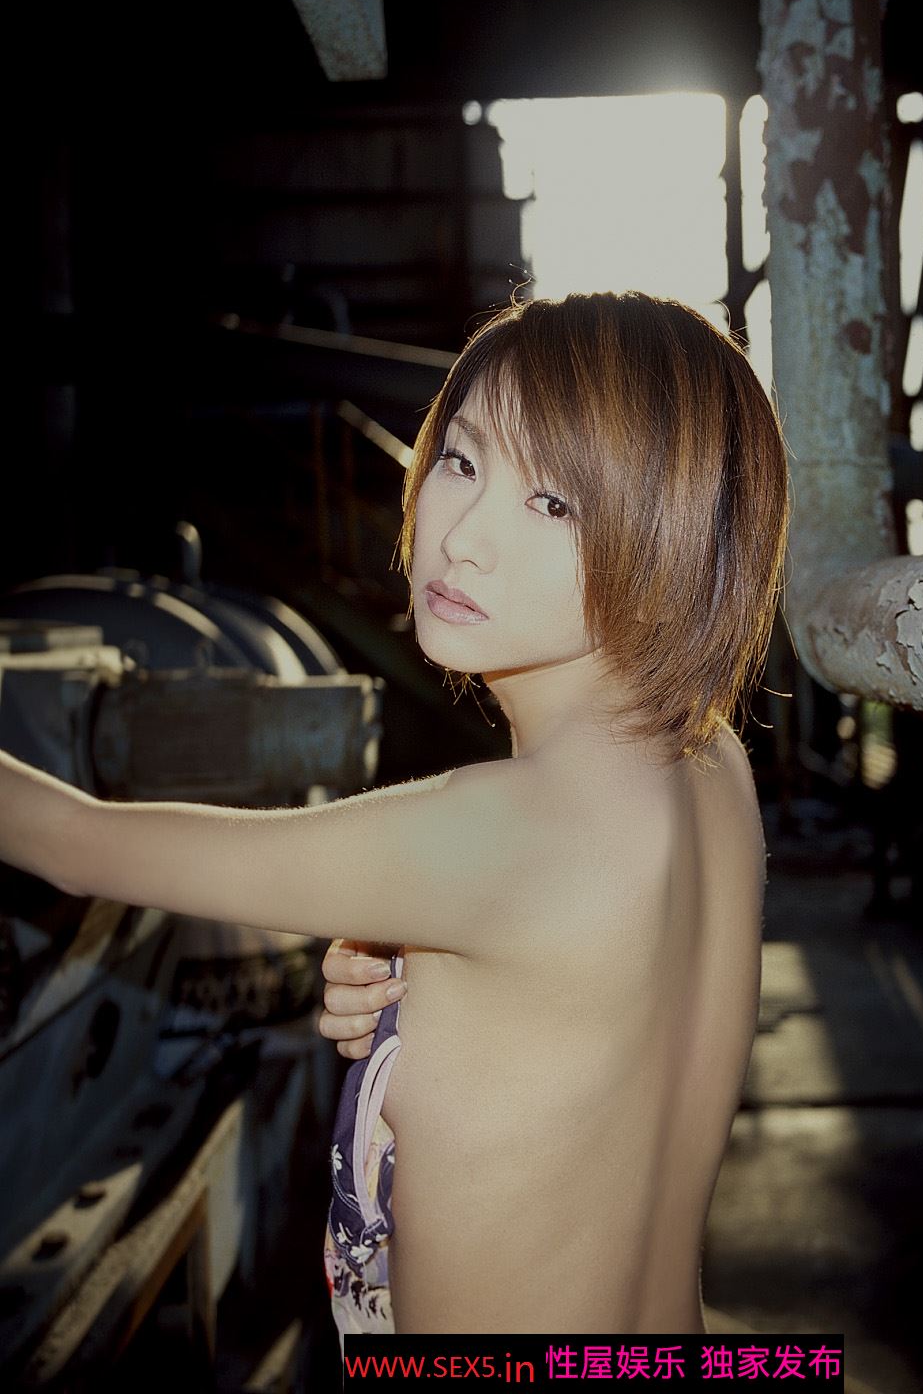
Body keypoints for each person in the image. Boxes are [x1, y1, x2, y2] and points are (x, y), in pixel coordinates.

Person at [0, 290, 789, 1342]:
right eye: (460, 461)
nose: (462, 538)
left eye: (553, 503)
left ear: (673, 536)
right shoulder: (711, 764)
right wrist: (420, 979)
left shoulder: (491, 835)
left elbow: (68, 841)